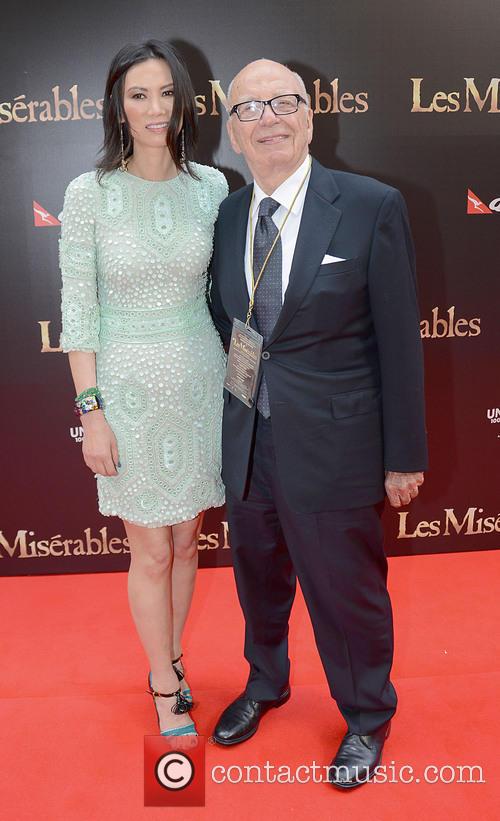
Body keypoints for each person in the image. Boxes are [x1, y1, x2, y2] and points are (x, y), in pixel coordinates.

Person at [209, 59, 427, 788]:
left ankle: (367, 713)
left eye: (285, 102)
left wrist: (403, 456)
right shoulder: (230, 214)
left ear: (311, 114)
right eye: (251, 108)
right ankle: (265, 681)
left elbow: (400, 341)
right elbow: (229, 322)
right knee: (258, 580)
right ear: (233, 130)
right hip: (249, 441)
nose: (269, 117)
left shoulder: (370, 205)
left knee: (345, 589)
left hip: (337, 442)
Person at [59, 40, 228, 737]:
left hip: (201, 385)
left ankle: (176, 654)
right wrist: (91, 412)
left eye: (166, 93)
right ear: (117, 106)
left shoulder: (212, 188)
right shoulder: (87, 194)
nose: (155, 108)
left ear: (184, 102)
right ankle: (162, 681)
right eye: (138, 95)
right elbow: (78, 312)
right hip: (125, 391)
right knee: (150, 549)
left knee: (188, 544)